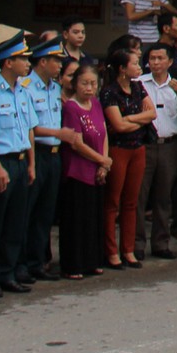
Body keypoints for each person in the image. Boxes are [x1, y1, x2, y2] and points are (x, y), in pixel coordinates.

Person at [0, 33, 37, 297]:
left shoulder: (23, 91)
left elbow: (30, 130)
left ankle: (7, 272)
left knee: (15, 222)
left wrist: (32, 163)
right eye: (22, 58)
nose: (27, 62)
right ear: (8, 62)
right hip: (1, 162)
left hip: (21, 160)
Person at [97, 45, 154, 269]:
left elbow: (152, 114)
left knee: (132, 201)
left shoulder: (138, 87)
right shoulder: (109, 92)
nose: (138, 68)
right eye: (134, 64)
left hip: (138, 148)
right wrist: (137, 119)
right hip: (118, 149)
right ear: (122, 68)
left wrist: (130, 119)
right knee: (113, 202)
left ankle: (128, 249)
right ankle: (111, 251)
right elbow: (117, 125)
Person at [56, 60, 112, 279]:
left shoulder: (96, 104)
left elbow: (104, 132)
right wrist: (102, 160)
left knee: (93, 217)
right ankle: (74, 264)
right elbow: (76, 143)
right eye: (84, 84)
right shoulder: (71, 107)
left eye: (93, 84)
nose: (89, 88)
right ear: (75, 84)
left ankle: (93, 261)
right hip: (77, 170)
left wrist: (104, 162)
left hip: (97, 167)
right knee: (77, 219)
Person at [22, 36, 69, 283]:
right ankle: (22, 263)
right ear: (42, 62)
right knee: (28, 211)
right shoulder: (27, 87)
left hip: (54, 155)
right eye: (56, 61)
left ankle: (38, 261)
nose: (60, 66)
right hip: (37, 153)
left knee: (45, 213)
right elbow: (30, 127)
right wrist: (57, 133)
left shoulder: (54, 87)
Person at [137, 42, 177, 259]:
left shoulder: (176, 85)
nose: (156, 63)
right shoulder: (139, 83)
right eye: (152, 59)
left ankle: (160, 243)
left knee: (164, 197)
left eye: (160, 58)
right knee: (139, 195)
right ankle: (136, 244)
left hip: (169, 145)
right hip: (145, 144)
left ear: (170, 61)